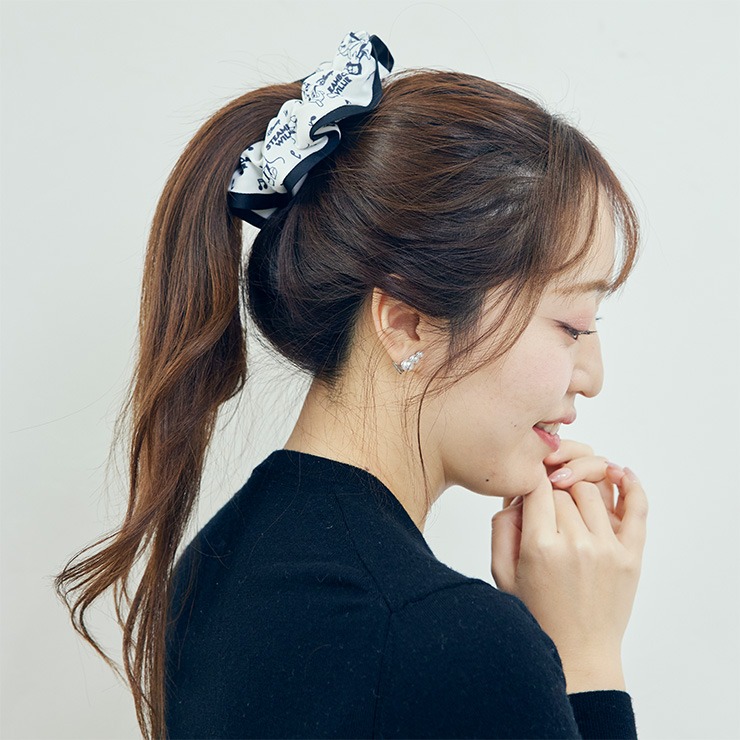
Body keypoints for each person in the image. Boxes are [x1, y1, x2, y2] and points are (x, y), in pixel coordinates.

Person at [54, 30, 648, 740]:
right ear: (406, 323)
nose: (593, 377)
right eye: (573, 325)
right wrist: (586, 655)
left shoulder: (212, 566)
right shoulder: (452, 641)